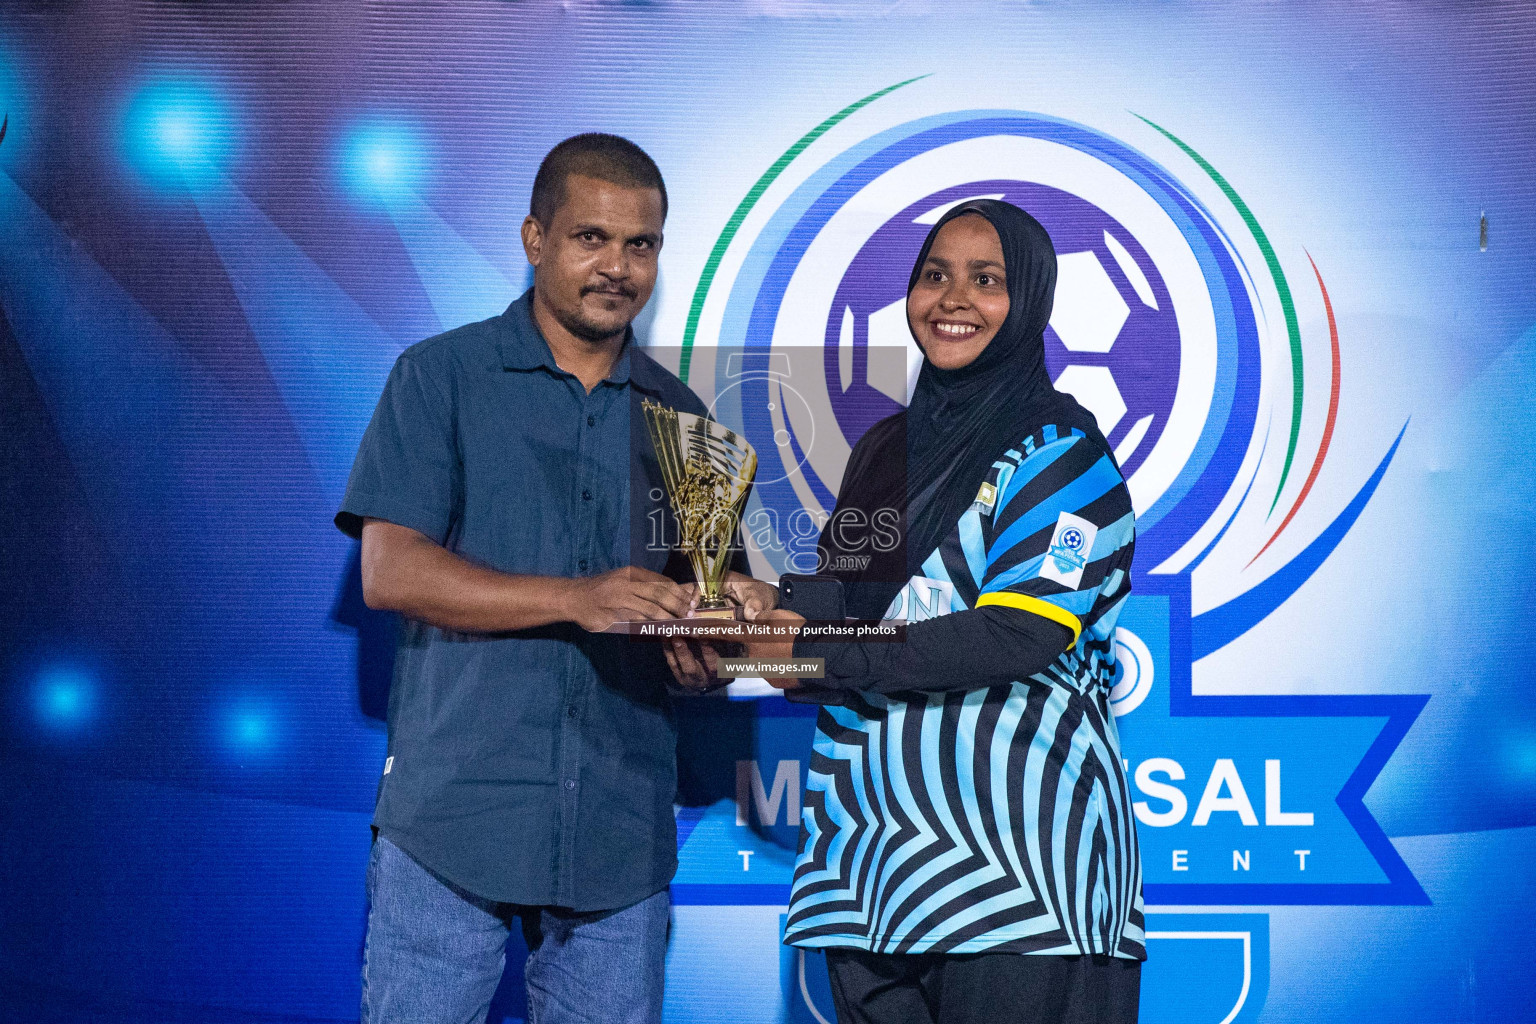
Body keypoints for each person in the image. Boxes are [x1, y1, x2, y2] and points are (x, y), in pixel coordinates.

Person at [336, 133, 762, 1024]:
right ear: (536, 238)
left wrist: (709, 646)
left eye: (640, 244)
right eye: (590, 238)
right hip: (454, 819)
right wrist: (577, 599)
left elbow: (710, 603)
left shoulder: (687, 421)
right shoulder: (440, 376)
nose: (617, 266)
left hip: (620, 833)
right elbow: (390, 570)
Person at [743, 200, 1144, 1024]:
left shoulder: (1062, 453)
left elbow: (1019, 631)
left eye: (986, 280)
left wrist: (814, 650)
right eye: (935, 275)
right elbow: (848, 601)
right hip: (870, 870)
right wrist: (750, 611)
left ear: (1028, 300)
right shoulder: (886, 449)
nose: (952, 298)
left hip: (1021, 883)